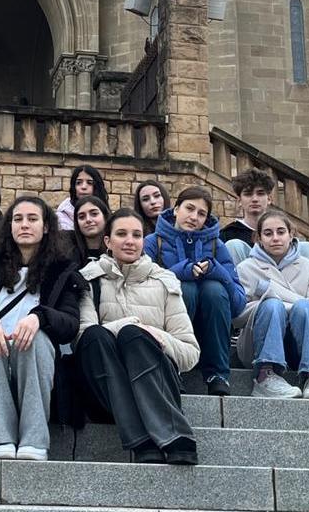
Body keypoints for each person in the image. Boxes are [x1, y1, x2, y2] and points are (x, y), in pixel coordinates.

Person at [0, 196, 82, 460]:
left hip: (35, 387)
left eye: (32, 219)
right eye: (17, 219)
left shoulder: (61, 271)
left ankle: (35, 441)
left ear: (45, 227)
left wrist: (39, 318)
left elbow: (70, 323)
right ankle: (0, 438)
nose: (24, 225)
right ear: (9, 226)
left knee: (39, 339)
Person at [76, 208, 199, 465]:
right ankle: (157, 437)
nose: (130, 241)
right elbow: (82, 338)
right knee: (98, 335)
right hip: (104, 389)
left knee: (135, 335)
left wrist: (154, 335)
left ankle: (153, 437)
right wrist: (128, 324)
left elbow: (190, 354)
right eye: (121, 234)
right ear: (107, 241)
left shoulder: (165, 281)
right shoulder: (88, 279)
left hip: (158, 384)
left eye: (137, 235)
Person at [145, 186, 245, 396]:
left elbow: (238, 304)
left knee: (214, 289)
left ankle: (217, 375)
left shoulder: (218, 246)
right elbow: (143, 289)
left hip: (211, 330)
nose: (194, 217)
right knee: (186, 289)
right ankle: (172, 366)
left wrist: (217, 271)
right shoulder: (153, 242)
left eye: (201, 213)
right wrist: (181, 272)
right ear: (175, 209)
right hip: (167, 328)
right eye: (189, 208)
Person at [234, 209, 309, 400]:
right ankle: (265, 376)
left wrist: (273, 292)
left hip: (301, 343)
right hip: (260, 344)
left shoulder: (306, 266)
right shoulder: (246, 268)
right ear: (259, 238)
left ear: (291, 235)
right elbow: (237, 316)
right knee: (272, 305)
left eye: (281, 232)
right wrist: (272, 300)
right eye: (268, 233)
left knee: (304, 308)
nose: (275, 238)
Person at [221, 168, 309, 274]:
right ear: (239, 201)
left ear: (269, 199)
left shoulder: (283, 231)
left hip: (287, 283)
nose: (254, 199)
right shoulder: (227, 234)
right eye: (248, 194)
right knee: (234, 246)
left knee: (307, 248)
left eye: (260, 193)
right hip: (250, 284)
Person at [55, 165, 109, 231]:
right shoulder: (62, 217)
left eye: (89, 183)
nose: (83, 187)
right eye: (78, 183)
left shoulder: (105, 212)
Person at [71, 194, 111, 266]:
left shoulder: (117, 253)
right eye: (82, 217)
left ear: (105, 217)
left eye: (94, 214)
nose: (88, 220)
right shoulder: (68, 256)